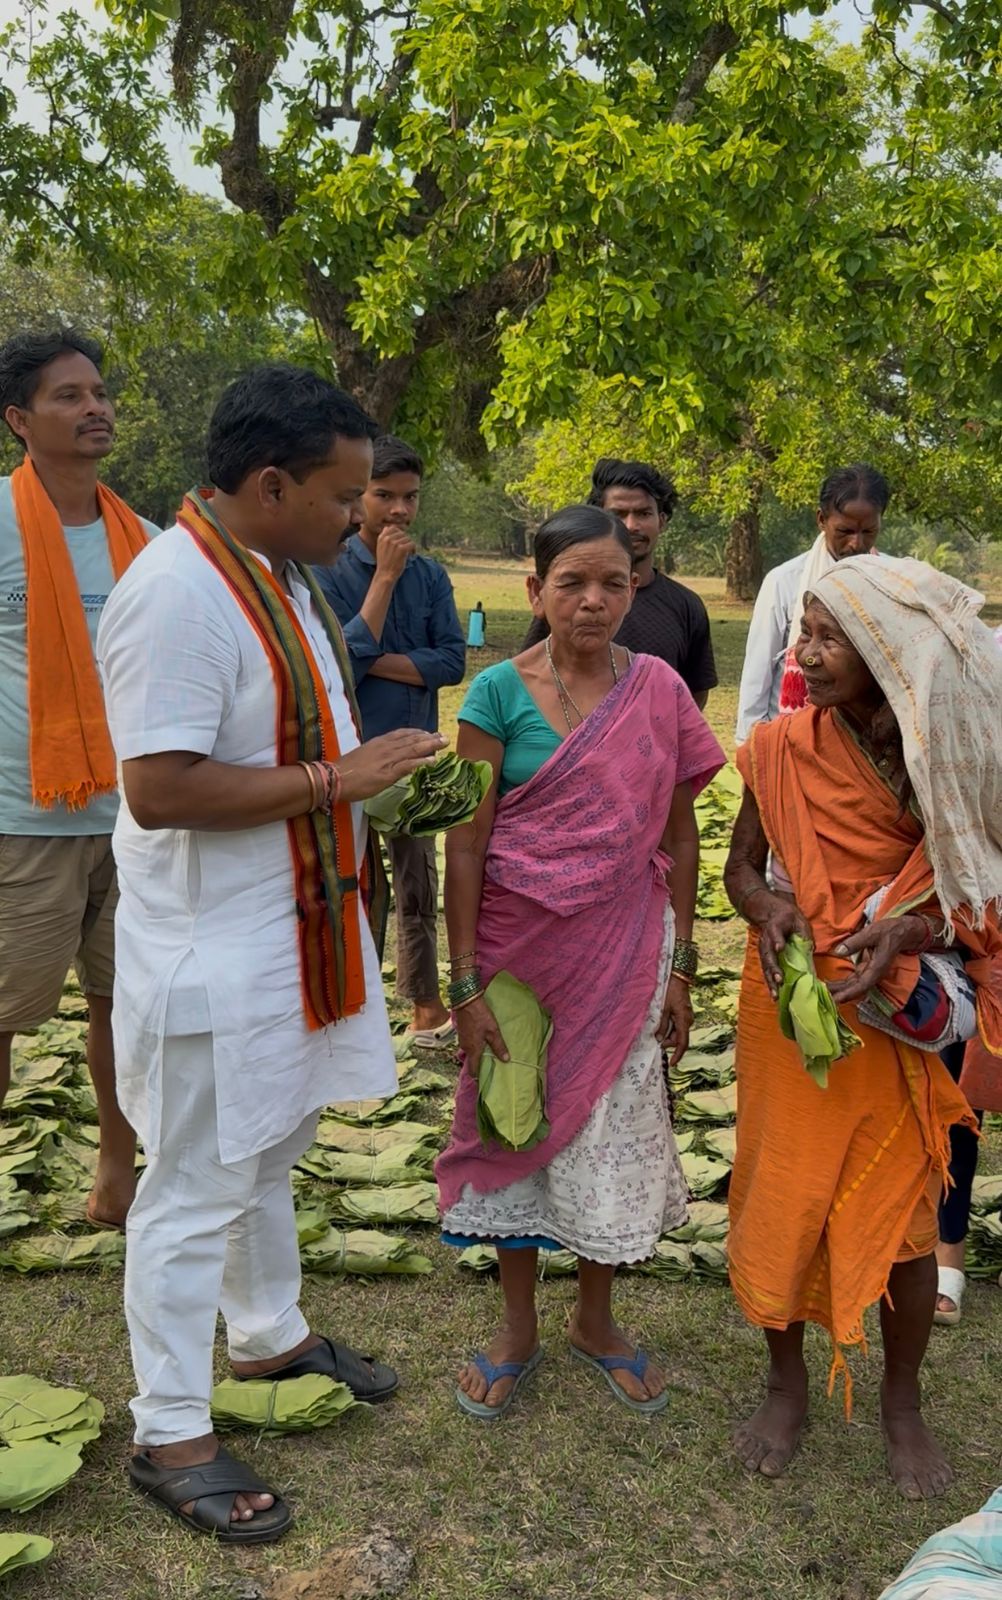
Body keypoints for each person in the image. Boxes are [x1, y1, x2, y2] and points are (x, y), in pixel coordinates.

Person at [97, 366, 446, 1543]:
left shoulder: (276, 570)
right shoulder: (178, 593)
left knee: (265, 1146)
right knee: (194, 1185)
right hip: (213, 945)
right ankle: (169, 1425)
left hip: (292, 924)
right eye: (349, 495)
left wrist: (375, 787)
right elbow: (156, 786)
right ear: (270, 482)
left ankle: (267, 1334)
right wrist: (332, 782)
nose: (366, 517)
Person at [436, 504, 725, 1418]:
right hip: (518, 960)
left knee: (611, 1120)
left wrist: (683, 965)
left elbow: (679, 834)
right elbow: (468, 846)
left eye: (612, 582)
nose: (593, 601)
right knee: (512, 1120)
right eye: (573, 583)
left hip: (627, 949)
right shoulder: (495, 695)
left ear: (636, 587)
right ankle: (517, 1324)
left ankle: (595, 1320)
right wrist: (465, 982)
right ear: (536, 590)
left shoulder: (661, 692)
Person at [724, 554, 1002, 1500]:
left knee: (910, 1221)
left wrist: (912, 930)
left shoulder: (945, 758)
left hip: (902, 1010)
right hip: (795, 1003)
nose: (805, 650)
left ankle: (901, 1405)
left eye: (828, 635)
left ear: (889, 648)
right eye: (805, 630)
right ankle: (785, 1382)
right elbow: (740, 872)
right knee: (784, 1193)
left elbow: (975, 888)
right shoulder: (775, 746)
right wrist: (769, 912)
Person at [0, 327, 158, 1229]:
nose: (93, 407)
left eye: (98, 391)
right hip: (22, 817)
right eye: (68, 396)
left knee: (123, 1004)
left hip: (138, 816)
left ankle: (116, 1166)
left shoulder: (148, 535)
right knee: (5, 1012)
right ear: (21, 419)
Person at [315, 435, 465, 1049]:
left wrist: (372, 656)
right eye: (385, 495)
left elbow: (452, 660)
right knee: (346, 883)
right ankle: (348, 1006)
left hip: (413, 757)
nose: (399, 509)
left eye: (410, 497)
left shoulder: (430, 575)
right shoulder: (324, 570)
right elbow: (336, 665)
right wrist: (383, 578)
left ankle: (425, 1008)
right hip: (346, 759)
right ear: (359, 498)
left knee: (416, 885)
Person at [522, 458, 717, 709]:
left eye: (644, 513)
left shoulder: (686, 606)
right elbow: (530, 677)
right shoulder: (566, 599)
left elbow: (693, 697)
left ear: (662, 520)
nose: (631, 526)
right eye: (618, 514)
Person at [735, 463, 888, 741]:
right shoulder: (784, 582)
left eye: (868, 531)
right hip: (793, 737)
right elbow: (757, 676)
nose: (856, 543)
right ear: (821, 519)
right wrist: (750, 745)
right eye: (845, 531)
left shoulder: (892, 581)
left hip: (868, 740)